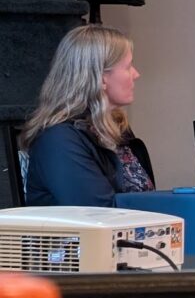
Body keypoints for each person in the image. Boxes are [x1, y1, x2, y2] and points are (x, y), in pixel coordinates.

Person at [22, 24, 155, 206]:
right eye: (128, 66)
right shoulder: (58, 140)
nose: (136, 74)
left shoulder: (113, 127)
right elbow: (98, 212)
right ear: (100, 78)